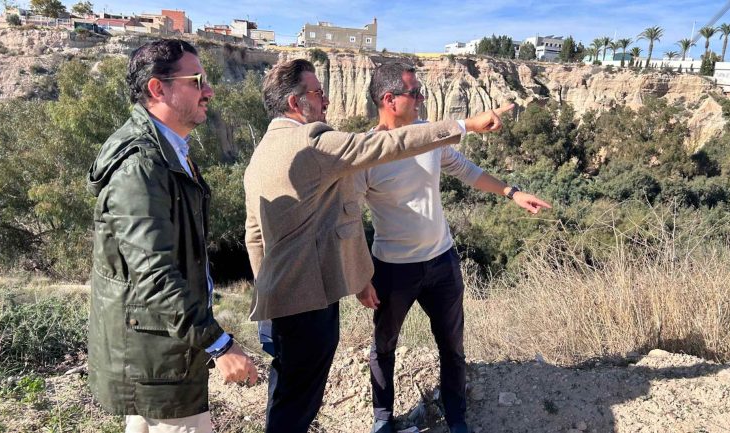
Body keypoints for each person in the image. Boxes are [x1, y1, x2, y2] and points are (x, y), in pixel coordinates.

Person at [243, 58, 514, 433]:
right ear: (295, 103)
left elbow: (254, 235)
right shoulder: (313, 141)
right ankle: (381, 418)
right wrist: (465, 125)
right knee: (300, 402)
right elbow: (386, 153)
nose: (326, 102)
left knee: (286, 395)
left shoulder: (260, 154)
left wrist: (267, 290)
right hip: (311, 299)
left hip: (277, 301)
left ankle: (452, 417)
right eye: (319, 93)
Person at [355, 62, 552, 433]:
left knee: (452, 347)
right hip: (393, 269)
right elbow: (348, 220)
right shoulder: (367, 153)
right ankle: (382, 418)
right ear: (389, 100)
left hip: (442, 262)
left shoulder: (428, 136)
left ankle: (457, 419)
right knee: (383, 347)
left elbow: (466, 170)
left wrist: (512, 192)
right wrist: (359, 277)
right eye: (415, 94)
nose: (422, 99)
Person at [86, 39, 257, 433]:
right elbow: (154, 275)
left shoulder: (168, 151)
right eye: (197, 80)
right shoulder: (141, 165)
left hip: (160, 350)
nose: (209, 91)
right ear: (157, 89)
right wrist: (219, 344)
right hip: (159, 360)